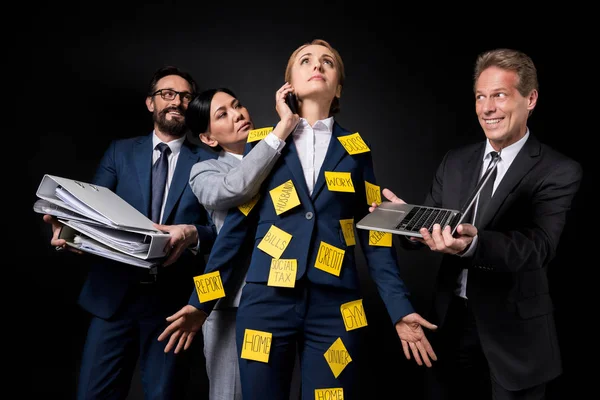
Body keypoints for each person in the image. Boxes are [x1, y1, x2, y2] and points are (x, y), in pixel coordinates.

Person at [158, 39, 437, 400]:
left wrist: (400, 310)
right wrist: (201, 302)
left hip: (337, 308)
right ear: (289, 82)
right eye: (305, 60)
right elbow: (236, 235)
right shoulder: (264, 143)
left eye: (327, 62)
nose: (316, 65)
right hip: (265, 304)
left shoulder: (357, 149)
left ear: (337, 86)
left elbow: (375, 236)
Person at [375, 49, 583, 399]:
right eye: (480, 97)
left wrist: (473, 245)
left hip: (515, 338)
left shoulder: (558, 170)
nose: (487, 108)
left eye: (499, 95)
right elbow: (433, 219)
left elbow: (539, 247)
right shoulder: (455, 161)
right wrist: (404, 220)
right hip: (449, 325)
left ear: (530, 99)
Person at [43, 66, 217, 399]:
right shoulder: (119, 152)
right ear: (151, 103)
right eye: (167, 94)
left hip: (172, 306)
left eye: (185, 97)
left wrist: (193, 234)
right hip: (113, 297)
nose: (176, 102)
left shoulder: (208, 161)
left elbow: (222, 232)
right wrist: (68, 230)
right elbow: (93, 210)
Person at [185, 85, 301, 400]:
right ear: (209, 138)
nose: (238, 115)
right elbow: (237, 187)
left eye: (237, 105)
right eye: (222, 114)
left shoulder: (285, 156)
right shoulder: (203, 171)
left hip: (283, 296)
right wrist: (279, 133)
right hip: (231, 302)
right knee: (229, 394)